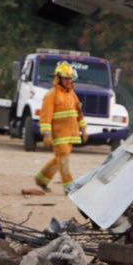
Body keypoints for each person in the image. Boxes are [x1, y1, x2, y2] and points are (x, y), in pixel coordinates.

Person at [34, 61, 87, 192]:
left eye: (70, 78)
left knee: (60, 159)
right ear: (58, 78)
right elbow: (45, 116)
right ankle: (69, 187)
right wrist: (47, 134)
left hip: (71, 134)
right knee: (63, 159)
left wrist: (84, 129)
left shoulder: (71, 94)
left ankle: (41, 179)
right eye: (66, 78)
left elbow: (78, 113)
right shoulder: (52, 95)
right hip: (59, 135)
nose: (68, 81)